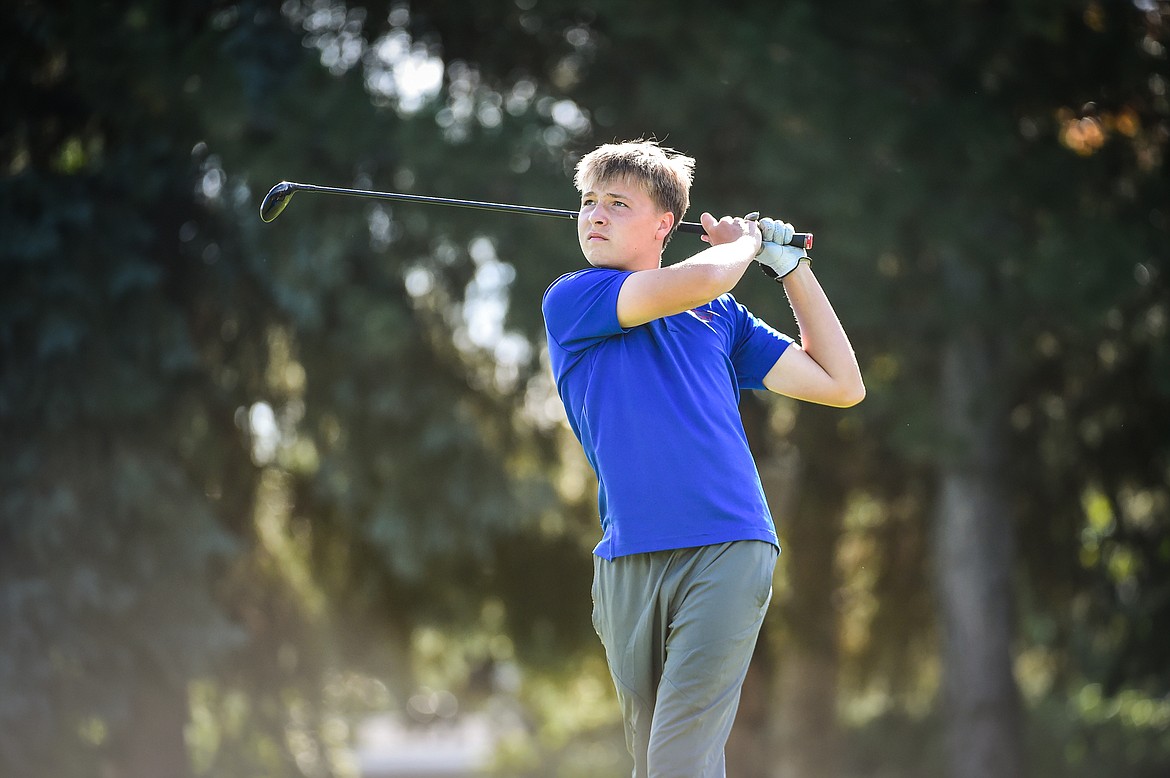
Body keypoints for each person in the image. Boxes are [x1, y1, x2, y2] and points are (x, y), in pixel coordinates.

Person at [541, 139, 864, 777]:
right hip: (627, 560)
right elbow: (703, 275)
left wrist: (788, 265)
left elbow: (842, 383)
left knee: (678, 758)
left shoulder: (720, 316)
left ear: (666, 224)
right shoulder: (574, 298)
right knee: (659, 759)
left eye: (616, 203)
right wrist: (742, 245)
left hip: (727, 544)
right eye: (587, 202)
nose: (595, 216)